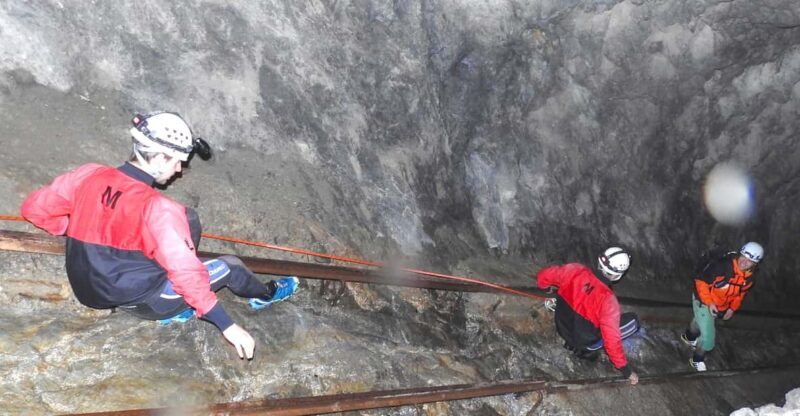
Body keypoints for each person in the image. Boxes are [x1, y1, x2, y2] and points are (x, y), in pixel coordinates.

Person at [20, 111, 299, 360]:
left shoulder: (88, 175)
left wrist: (72, 228)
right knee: (230, 266)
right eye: (177, 162)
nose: (179, 170)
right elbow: (188, 274)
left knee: (189, 219)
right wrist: (227, 325)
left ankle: (172, 295)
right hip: (141, 301)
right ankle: (265, 294)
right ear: (158, 157)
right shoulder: (159, 209)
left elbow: (34, 209)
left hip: (87, 291)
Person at [536, 246, 640, 385]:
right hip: (583, 344)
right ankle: (586, 352)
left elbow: (544, 275)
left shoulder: (576, 270)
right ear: (617, 275)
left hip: (561, 327)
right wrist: (626, 370)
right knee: (633, 322)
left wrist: (546, 287)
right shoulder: (609, 301)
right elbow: (612, 341)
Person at [682, 241, 763, 372]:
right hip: (703, 299)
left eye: (749, 261)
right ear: (739, 253)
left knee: (700, 320)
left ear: (754, 264)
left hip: (719, 304)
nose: (744, 262)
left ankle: (688, 337)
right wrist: (709, 303)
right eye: (743, 257)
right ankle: (697, 360)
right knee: (708, 338)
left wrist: (732, 309)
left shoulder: (749, 279)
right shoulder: (723, 266)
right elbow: (701, 281)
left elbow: (740, 295)